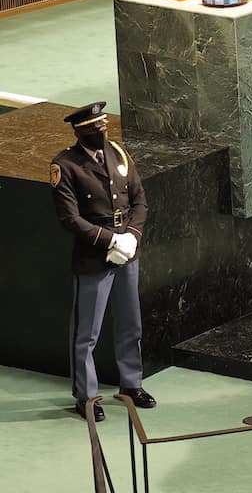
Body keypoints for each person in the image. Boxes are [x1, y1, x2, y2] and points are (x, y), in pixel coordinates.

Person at [50, 102, 156, 421]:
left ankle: (130, 384)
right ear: (80, 131)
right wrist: (109, 240)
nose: (101, 131)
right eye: (94, 128)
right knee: (87, 333)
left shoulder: (118, 153)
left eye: (102, 126)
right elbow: (69, 218)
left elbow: (138, 199)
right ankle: (85, 396)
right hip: (95, 257)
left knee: (130, 323)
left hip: (126, 252)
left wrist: (132, 236)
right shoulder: (65, 165)